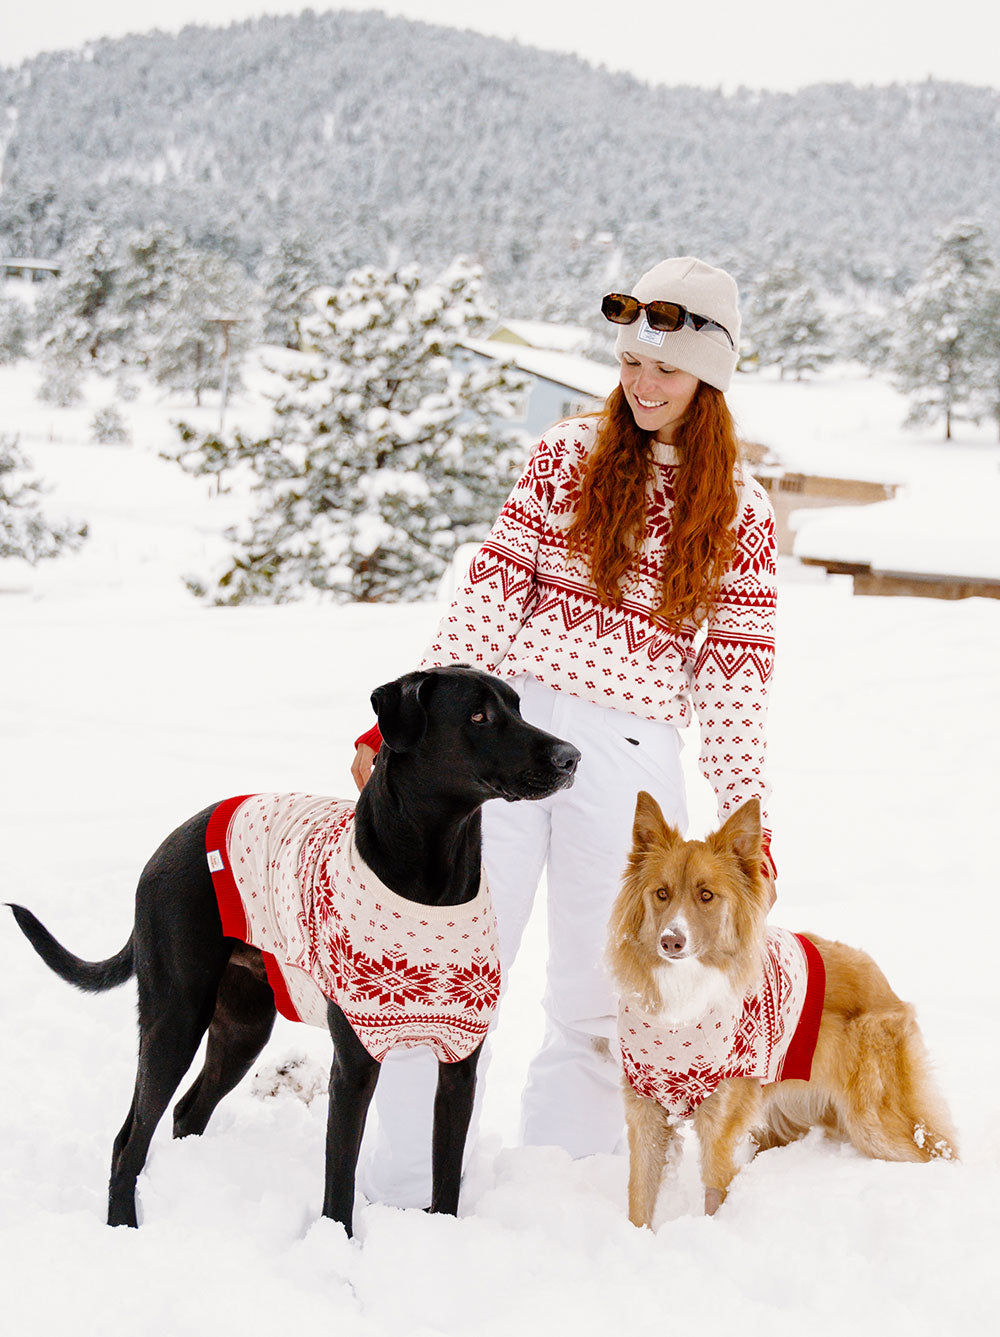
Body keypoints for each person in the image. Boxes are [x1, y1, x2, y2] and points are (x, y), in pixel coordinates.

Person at [351, 256, 778, 1207]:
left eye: (665, 367)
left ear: (712, 374)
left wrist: (758, 831)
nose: (642, 382)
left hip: (632, 763)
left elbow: (737, 682)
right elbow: (490, 599)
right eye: (629, 361)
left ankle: (567, 1195)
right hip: (509, 735)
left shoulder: (741, 513)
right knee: (449, 959)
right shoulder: (566, 457)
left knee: (605, 989)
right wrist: (405, 736)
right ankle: (407, 1187)